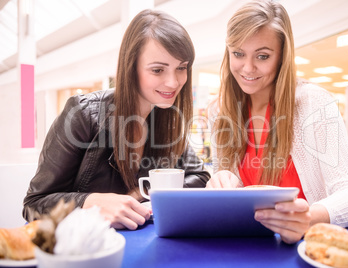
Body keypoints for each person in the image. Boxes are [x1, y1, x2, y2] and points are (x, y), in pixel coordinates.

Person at [23, 9, 210, 230]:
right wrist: (89, 203)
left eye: (181, 68)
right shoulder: (83, 114)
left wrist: (140, 192)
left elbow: (200, 176)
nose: (173, 82)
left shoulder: (167, 119)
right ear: (131, 68)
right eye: (158, 70)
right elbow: (33, 205)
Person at [206, 0, 348, 244]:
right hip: (244, 242)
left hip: (302, 246)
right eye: (238, 54)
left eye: (262, 56)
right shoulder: (219, 112)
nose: (248, 68)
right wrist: (220, 181)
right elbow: (231, 182)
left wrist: (308, 218)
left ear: (282, 56)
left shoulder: (313, 103)